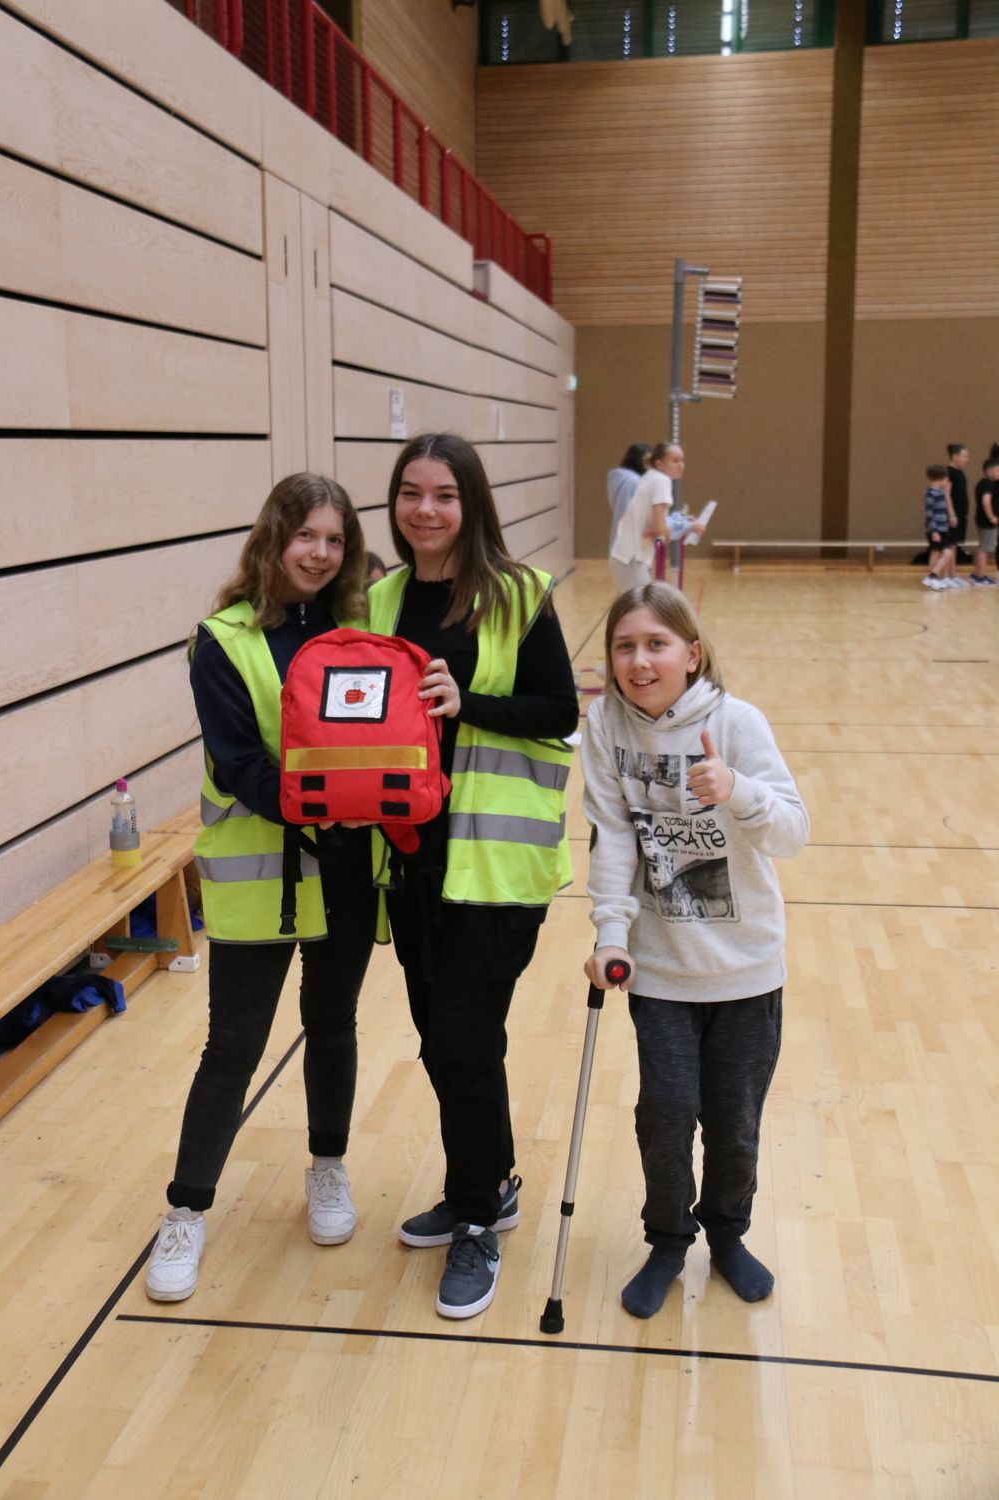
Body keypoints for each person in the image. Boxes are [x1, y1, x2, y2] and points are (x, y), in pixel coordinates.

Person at [145, 474, 378, 1302]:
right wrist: (327, 807)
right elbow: (240, 762)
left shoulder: (362, 632)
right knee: (234, 1046)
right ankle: (186, 1210)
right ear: (272, 539)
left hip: (347, 871)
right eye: (305, 535)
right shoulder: (223, 640)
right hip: (259, 875)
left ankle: (328, 1165)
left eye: (335, 540)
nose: (320, 553)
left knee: (333, 1024)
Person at [367, 432, 578, 1320]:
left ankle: (479, 1220)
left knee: (462, 1037)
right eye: (411, 493)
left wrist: (471, 703)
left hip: (493, 865)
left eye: (445, 495)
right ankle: (483, 1187)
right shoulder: (379, 598)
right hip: (410, 860)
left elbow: (560, 709)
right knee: (444, 1038)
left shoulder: (519, 594)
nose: (426, 510)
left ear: (472, 504)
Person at [581, 582, 808, 1318]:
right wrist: (610, 935)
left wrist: (737, 789)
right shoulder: (605, 726)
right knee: (667, 1114)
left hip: (746, 969)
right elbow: (614, 838)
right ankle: (669, 1241)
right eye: (625, 646)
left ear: (692, 653)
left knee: (734, 1123)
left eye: (657, 644)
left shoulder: (737, 723)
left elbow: (792, 833)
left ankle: (729, 1236)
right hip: (661, 970)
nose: (639, 661)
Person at [609, 442, 704, 590]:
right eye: (675, 461)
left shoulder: (652, 477)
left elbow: (656, 524)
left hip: (626, 557)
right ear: (659, 464)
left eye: (682, 460)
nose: (681, 465)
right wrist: (686, 527)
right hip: (631, 559)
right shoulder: (662, 481)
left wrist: (678, 523)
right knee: (645, 603)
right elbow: (659, 527)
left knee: (644, 602)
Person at [607, 443, 652, 556]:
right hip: (631, 547)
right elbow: (630, 514)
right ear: (641, 462)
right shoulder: (633, 483)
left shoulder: (622, 480)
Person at [971, 456, 999, 585]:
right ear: (989, 470)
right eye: (997, 470)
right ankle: (980, 577)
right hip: (987, 522)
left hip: (982, 520)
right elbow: (986, 501)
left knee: (982, 547)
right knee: (984, 549)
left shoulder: (984, 483)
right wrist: (991, 517)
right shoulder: (987, 484)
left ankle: (977, 574)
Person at [946, 444, 971, 568]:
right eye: (964, 456)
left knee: (954, 544)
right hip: (953, 514)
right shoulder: (949, 473)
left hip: (960, 514)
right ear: (955, 457)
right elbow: (946, 495)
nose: (967, 459)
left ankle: (952, 574)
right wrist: (951, 514)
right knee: (950, 545)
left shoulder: (959, 473)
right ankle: (946, 574)